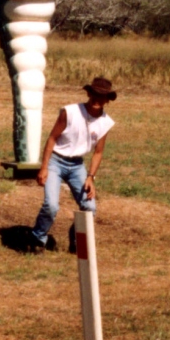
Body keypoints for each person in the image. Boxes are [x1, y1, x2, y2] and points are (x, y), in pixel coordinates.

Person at [29, 76, 116, 253]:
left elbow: (98, 152)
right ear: (88, 94)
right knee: (51, 205)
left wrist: (90, 177)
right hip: (56, 160)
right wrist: (44, 167)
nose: (97, 100)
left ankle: (77, 240)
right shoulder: (70, 112)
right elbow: (52, 138)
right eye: (94, 95)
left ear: (107, 100)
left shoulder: (106, 122)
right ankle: (37, 238)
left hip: (77, 165)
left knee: (89, 206)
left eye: (102, 97)